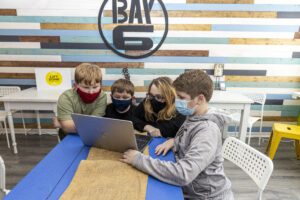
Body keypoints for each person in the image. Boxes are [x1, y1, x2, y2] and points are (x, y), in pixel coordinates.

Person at [121, 70, 234, 200]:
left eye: (181, 97)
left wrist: (138, 159)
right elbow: (190, 139)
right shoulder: (193, 116)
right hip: (188, 189)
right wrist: (175, 140)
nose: (176, 102)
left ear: (200, 99)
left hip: (204, 196)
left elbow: (183, 174)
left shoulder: (207, 131)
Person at [54, 63, 107, 140]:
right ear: (75, 85)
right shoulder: (66, 97)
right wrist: (66, 126)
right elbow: (68, 128)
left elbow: (94, 125)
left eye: (95, 87)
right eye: (86, 87)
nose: (91, 92)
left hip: (91, 136)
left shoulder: (102, 96)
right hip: (69, 136)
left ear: (101, 85)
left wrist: (61, 124)